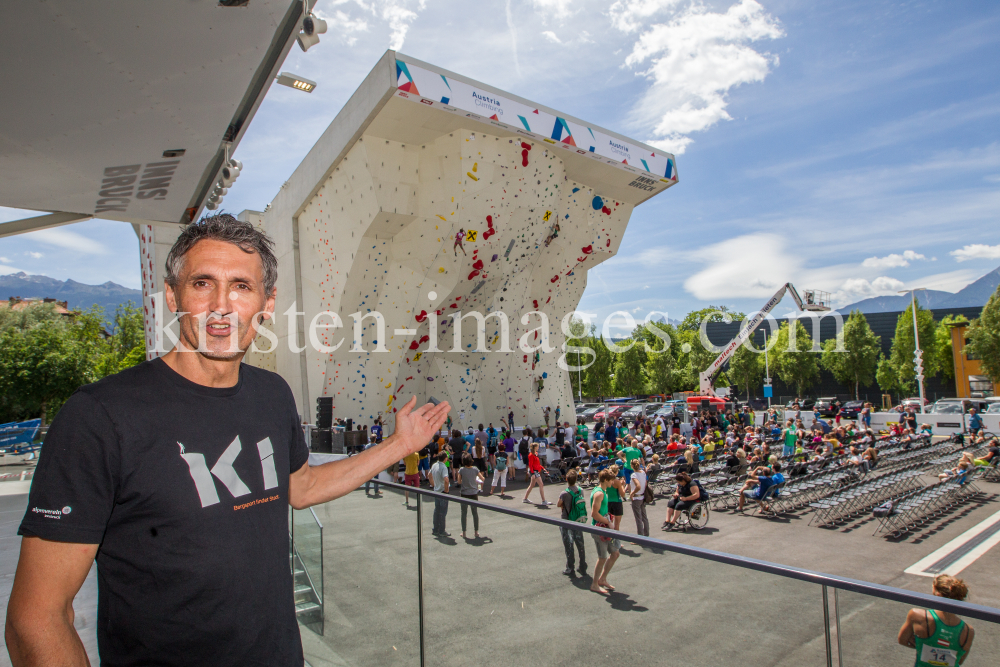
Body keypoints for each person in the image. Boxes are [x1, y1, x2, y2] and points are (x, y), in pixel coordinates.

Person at [4, 214, 451, 667]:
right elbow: (36, 616)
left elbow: (303, 488)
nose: (222, 305)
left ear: (267, 302)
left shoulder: (272, 393)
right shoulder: (100, 416)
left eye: (241, 286)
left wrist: (398, 444)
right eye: (202, 283)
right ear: (172, 295)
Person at [897, 574, 975, 666]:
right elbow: (959, 660)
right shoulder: (968, 631)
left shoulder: (918, 616)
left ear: (937, 594)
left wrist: (921, 646)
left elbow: (902, 640)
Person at [589, 469, 620, 594]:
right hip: (599, 529)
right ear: (606, 480)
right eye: (611, 480)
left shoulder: (603, 491)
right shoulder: (599, 494)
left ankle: (602, 579)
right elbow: (594, 514)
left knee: (615, 553)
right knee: (602, 558)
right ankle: (594, 584)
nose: (613, 482)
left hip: (606, 528)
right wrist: (608, 522)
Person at [557, 470, 588, 576]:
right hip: (578, 519)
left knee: (568, 545)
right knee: (580, 543)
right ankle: (583, 564)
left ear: (567, 479)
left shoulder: (564, 493)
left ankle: (570, 567)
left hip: (567, 520)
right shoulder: (580, 490)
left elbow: (559, 504)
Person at [458, 453, 484, 539]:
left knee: (463, 513)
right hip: (473, 493)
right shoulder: (475, 469)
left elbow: (459, 481)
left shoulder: (461, 470)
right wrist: (476, 482)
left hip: (464, 493)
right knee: (475, 513)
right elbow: (482, 479)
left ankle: (464, 532)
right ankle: (476, 531)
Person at [429, 452, 451, 536]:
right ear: (445, 458)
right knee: (443, 512)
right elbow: (446, 479)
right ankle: (442, 530)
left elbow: (429, 474)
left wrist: (433, 484)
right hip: (442, 491)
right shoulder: (443, 467)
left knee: (436, 510)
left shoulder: (434, 465)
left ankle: (435, 529)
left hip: (436, 490)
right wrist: (446, 490)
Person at [629, 459, 649, 536]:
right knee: (644, 517)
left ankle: (640, 537)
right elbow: (645, 484)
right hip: (642, 496)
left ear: (632, 466)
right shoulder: (643, 473)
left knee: (638, 519)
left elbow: (638, 486)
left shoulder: (634, 475)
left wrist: (632, 493)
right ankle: (646, 534)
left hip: (636, 498)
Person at [605, 464, 626, 530]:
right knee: (616, 524)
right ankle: (616, 539)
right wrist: (622, 485)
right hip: (617, 502)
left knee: (609, 522)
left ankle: (609, 538)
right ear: (616, 472)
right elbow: (623, 494)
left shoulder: (607, 481)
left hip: (608, 502)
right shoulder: (617, 482)